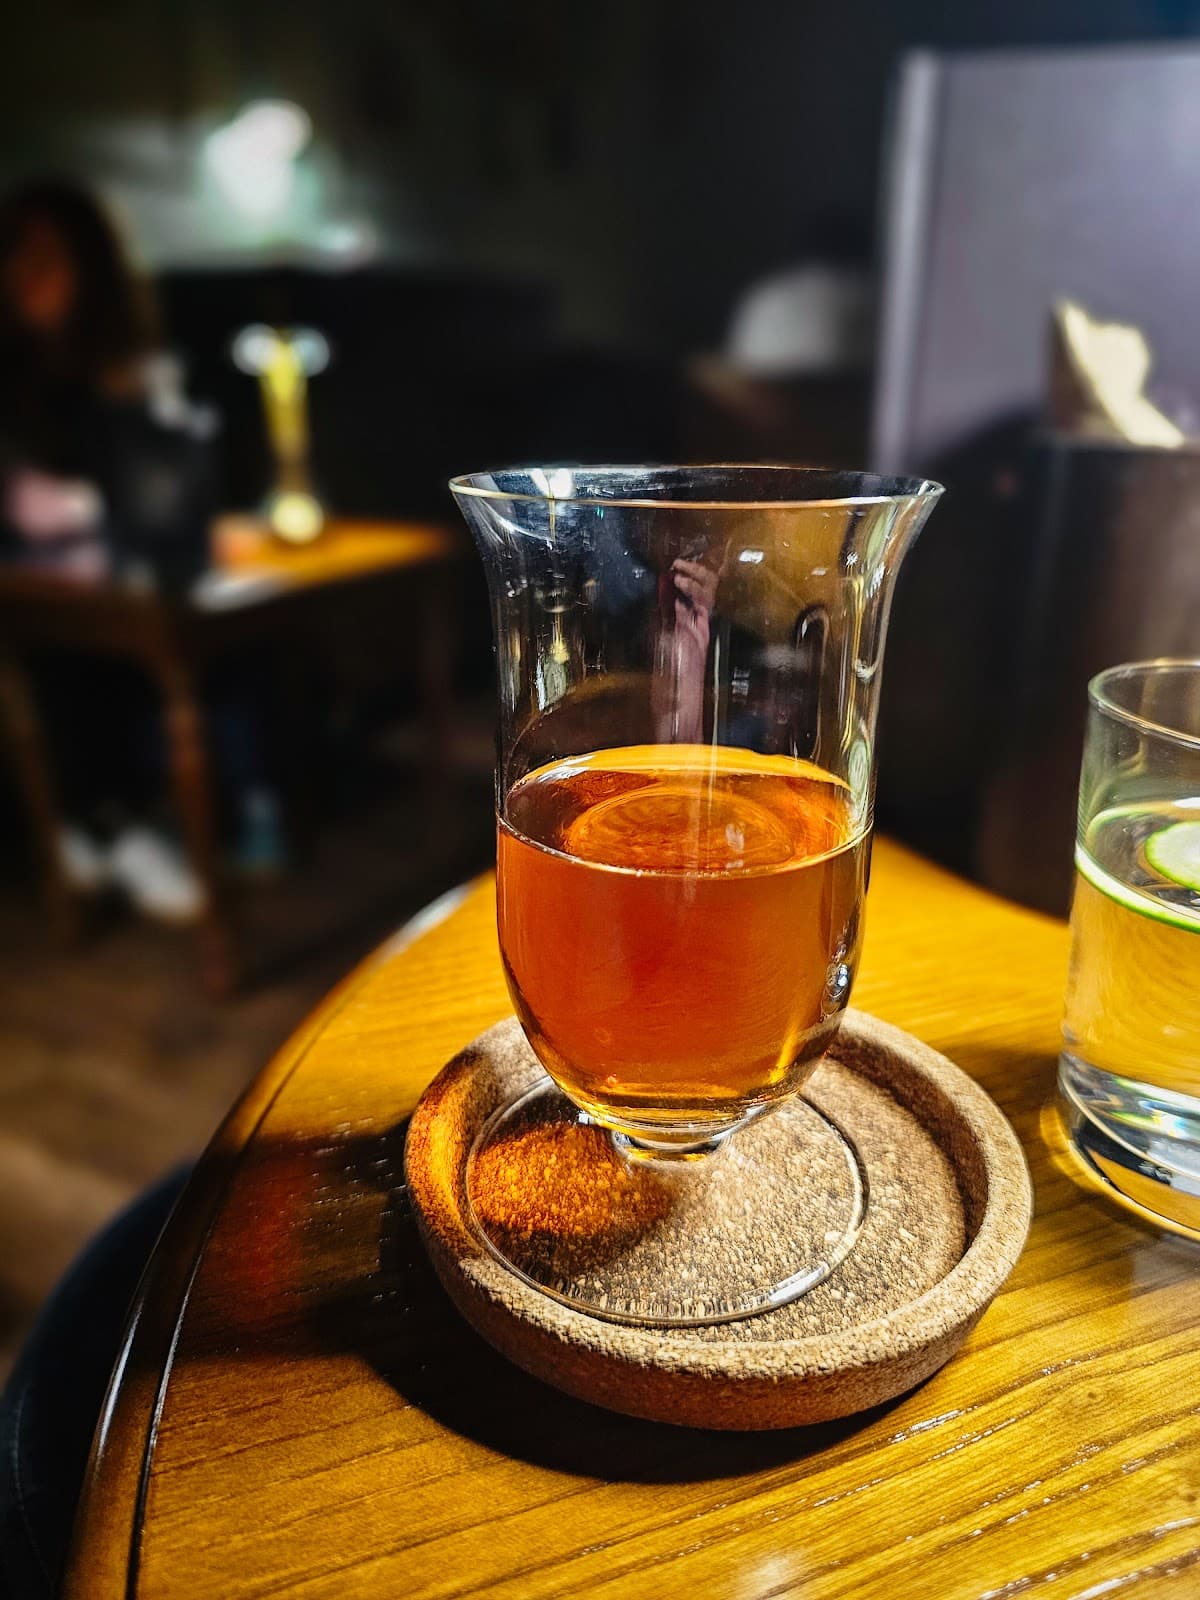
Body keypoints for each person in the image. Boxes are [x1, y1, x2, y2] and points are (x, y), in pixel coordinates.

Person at [0, 178, 282, 918]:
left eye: (48, 259)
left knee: (231, 631)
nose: (28, 277)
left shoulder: (127, 368)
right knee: (76, 652)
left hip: (137, 568)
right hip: (38, 589)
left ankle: (230, 809)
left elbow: (176, 490)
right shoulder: (15, 382)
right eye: (17, 257)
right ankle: (107, 821)